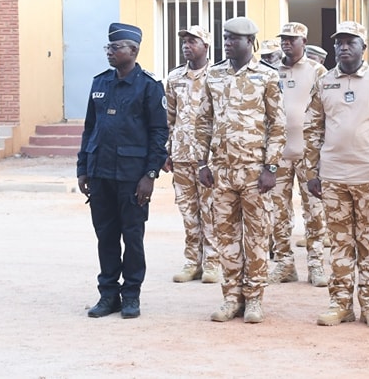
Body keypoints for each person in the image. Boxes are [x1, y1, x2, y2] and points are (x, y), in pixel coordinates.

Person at [304, 21, 369, 328]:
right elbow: (312, 128)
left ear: (363, 46)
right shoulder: (324, 82)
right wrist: (312, 171)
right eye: (339, 43)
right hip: (333, 177)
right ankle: (340, 304)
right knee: (339, 243)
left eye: (350, 42)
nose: (343, 47)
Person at [195, 17, 286, 324]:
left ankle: (255, 299)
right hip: (221, 171)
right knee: (225, 236)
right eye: (225, 37)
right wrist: (201, 162)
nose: (228, 42)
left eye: (234, 38)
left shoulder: (266, 76)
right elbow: (203, 122)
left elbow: (278, 125)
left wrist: (271, 167)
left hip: (255, 172)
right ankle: (231, 297)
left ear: (250, 42)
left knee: (258, 236)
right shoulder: (214, 75)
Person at [77, 23, 168, 319]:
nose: (110, 53)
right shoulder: (100, 83)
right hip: (100, 172)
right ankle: (107, 295)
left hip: (132, 176)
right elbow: (89, 128)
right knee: (105, 236)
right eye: (108, 47)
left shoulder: (149, 86)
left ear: (133, 50)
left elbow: (158, 133)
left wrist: (150, 175)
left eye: (116, 48)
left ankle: (131, 295)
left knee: (132, 237)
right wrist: (83, 168)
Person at [269, 22, 329, 288]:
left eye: (292, 40)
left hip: (309, 153)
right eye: (284, 39)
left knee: (314, 211)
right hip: (278, 153)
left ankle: (316, 264)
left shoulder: (318, 71)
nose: (286, 43)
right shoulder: (271, 72)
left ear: (304, 42)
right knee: (279, 212)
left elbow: (328, 110)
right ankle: (284, 264)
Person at [164, 25, 220, 285]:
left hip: (207, 159)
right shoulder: (174, 78)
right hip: (181, 155)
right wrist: (166, 150)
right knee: (188, 211)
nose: (187, 45)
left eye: (192, 41)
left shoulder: (217, 77)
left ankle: (212, 262)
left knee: (210, 210)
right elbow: (169, 119)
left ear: (206, 45)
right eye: (184, 41)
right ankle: (192, 262)